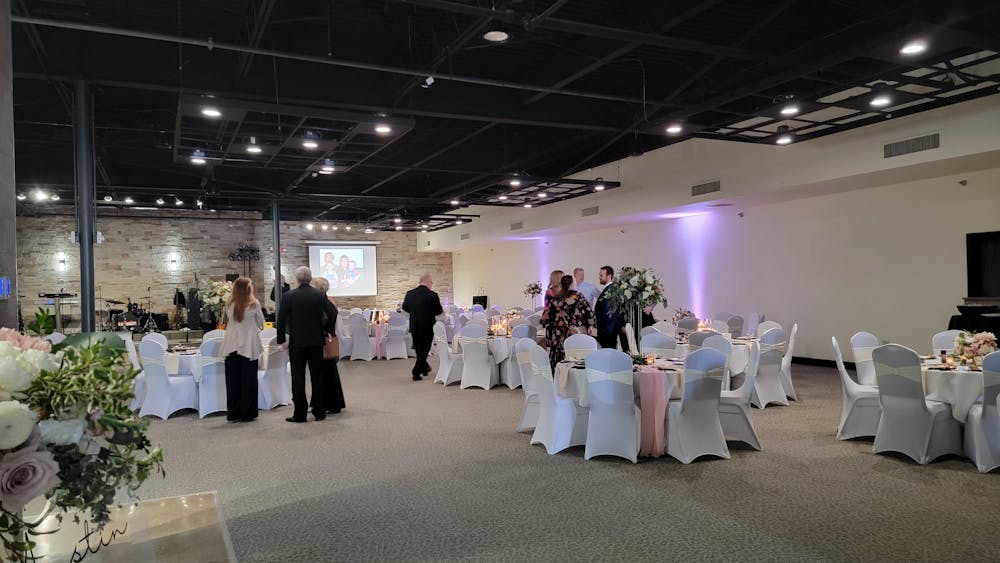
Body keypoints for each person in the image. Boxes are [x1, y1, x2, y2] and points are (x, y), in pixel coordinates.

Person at [276, 266, 337, 422]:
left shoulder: (289, 296)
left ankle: (300, 413)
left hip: (297, 343)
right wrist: (326, 331)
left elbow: (281, 319)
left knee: (298, 379)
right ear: (310, 278)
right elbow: (331, 313)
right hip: (316, 342)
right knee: (317, 377)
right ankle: (319, 411)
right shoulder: (319, 295)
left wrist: (281, 340)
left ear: (297, 279)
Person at [220, 277, 264, 423]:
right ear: (248, 289)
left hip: (232, 345)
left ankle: (233, 413)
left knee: (233, 381)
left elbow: (225, 322)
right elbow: (261, 324)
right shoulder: (253, 304)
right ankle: (247, 414)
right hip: (248, 346)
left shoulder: (228, 304)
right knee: (249, 381)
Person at [541, 274, 596, 369]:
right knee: (576, 356)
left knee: (559, 358)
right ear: (572, 284)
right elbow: (589, 312)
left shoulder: (555, 299)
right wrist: (591, 326)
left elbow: (546, 317)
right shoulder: (578, 297)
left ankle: (558, 377)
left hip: (558, 335)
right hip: (575, 333)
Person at [310, 277, 346, 415]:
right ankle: (333, 403)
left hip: (322, 341)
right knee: (330, 372)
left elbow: (320, 322)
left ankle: (326, 403)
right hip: (330, 338)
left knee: (323, 373)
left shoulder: (321, 303)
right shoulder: (330, 302)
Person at [401, 273, 443, 381]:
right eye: (431, 282)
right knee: (425, 349)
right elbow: (438, 311)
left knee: (419, 348)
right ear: (428, 282)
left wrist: (415, 312)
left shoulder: (410, 294)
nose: (432, 284)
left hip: (414, 325)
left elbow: (405, 308)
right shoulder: (432, 295)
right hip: (428, 326)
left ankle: (425, 368)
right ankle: (416, 372)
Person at [595, 265, 628, 352]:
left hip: (608, 331)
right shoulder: (610, 289)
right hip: (607, 330)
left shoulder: (611, 290)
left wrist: (605, 330)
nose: (599, 277)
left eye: (601, 276)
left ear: (609, 276)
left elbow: (608, 312)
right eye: (599, 275)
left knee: (608, 354)